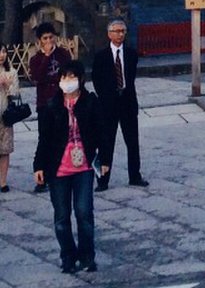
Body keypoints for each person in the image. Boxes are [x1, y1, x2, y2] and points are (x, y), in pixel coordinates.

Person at [33, 59, 110, 274]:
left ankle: (87, 256)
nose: (68, 81)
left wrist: (105, 160)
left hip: (83, 166)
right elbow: (44, 139)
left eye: (72, 77)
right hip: (58, 168)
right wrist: (38, 166)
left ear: (80, 79)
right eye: (64, 77)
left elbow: (102, 133)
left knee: (84, 212)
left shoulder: (90, 102)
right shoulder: (51, 106)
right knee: (61, 216)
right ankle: (68, 255)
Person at [90, 19, 148, 190]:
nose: (120, 34)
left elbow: (131, 78)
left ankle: (135, 175)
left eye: (122, 31)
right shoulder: (101, 56)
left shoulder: (131, 54)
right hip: (108, 103)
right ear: (109, 34)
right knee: (106, 141)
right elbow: (96, 79)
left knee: (132, 140)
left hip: (127, 101)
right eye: (116, 31)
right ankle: (103, 179)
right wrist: (106, 96)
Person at [29, 23, 71, 193]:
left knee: (63, 137)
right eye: (45, 38)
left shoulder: (63, 54)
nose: (48, 41)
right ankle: (42, 176)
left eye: (51, 37)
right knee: (44, 138)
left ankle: (61, 170)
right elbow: (37, 77)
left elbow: (70, 72)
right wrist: (46, 56)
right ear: (39, 41)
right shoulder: (36, 59)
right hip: (45, 104)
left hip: (62, 101)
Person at [0, 44, 20, 191]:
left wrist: (7, 86)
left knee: (5, 150)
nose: (2, 55)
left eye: (3, 52)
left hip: (5, 116)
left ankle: (3, 181)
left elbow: (16, 94)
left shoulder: (11, 72)